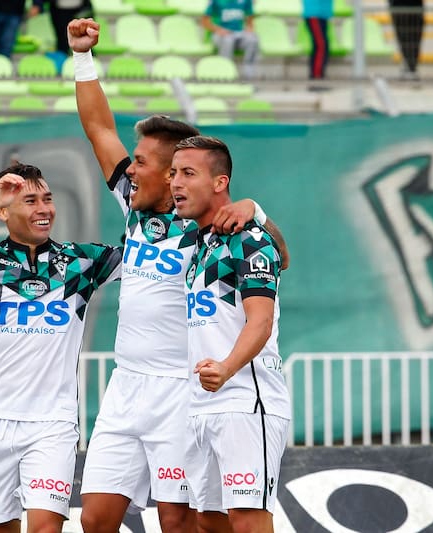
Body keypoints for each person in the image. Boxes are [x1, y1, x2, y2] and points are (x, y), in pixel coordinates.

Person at [67, 18, 290, 533]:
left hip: (182, 385)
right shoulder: (134, 206)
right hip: (126, 382)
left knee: (181, 520)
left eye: (141, 163)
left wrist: (256, 210)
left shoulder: (210, 223)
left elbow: (277, 256)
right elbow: (99, 129)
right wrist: (82, 58)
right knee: (95, 518)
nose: (129, 170)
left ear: (172, 174)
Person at [0, 163, 122, 532]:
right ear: (4, 211)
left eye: (48, 199)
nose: (44, 209)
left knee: (45, 528)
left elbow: (151, 256)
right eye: (30, 201)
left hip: (52, 423)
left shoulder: (82, 261)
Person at [170, 135, 290, 533]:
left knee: (248, 521)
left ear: (220, 182)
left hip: (245, 402)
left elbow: (261, 322)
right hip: (201, 404)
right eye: (173, 173)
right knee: (208, 521)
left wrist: (225, 367)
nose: (176, 183)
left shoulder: (249, 240)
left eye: (188, 173)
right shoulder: (199, 244)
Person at [200, 0, 259, 78]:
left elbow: (250, 16)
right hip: (220, 34)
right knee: (228, 40)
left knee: (253, 39)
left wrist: (249, 28)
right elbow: (204, 21)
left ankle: (249, 72)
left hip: (238, 34)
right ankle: (226, 72)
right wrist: (218, 29)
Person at [388, 0, 424, 78]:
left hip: (413, 7)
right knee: (404, 37)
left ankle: (411, 66)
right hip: (399, 6)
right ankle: (409, 66)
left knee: (412, 37)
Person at [302, 0, 333, 82]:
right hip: (314, 14)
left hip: (321, 14)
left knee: (321, 46)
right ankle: (317, 76)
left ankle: (318, 75)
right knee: (321, 46)